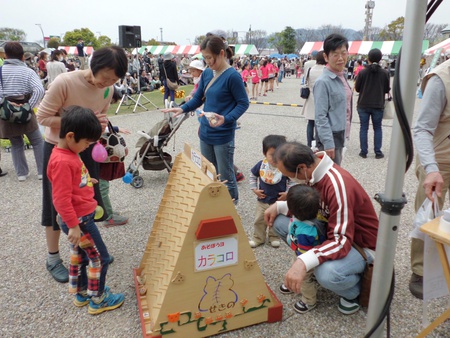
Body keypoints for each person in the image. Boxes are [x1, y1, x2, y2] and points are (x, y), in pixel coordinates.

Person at [37, 46, 128, 283]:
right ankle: (53, 257)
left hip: (85, 148)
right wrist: (82, 120)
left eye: (114, 80)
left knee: (87, 201)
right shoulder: (64, 82)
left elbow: (101, 118)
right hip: (59, 148)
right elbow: (42, 117)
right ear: (93, 65)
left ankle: (88, 250)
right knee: (57, 203)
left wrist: (98, 124)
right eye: (105, 77)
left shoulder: (107, 90)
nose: (107, 83)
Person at [264, 142, 378, 315]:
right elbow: (312, 209)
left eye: (289, 175)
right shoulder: (313, 173)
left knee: (328, 274)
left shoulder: (337, 185)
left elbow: (341, 241)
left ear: (301, 168)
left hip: (361, 244)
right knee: (280, 222)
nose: (289, 179)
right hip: (335, 230)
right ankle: (316, 267)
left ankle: (354, 292)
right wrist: (280, 206)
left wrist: (304, 261)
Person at [48, 106, 125, 314]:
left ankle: (83, 291)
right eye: (86, 143)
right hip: (80, 221)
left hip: (78, 219)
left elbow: (68, 186)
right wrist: (73, 226)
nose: (87, 148)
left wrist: (84, 181)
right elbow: (60, 198)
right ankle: (98, 299)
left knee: (82, 256)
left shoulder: (65, 152)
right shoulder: (63, 161)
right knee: (101, 257)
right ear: (71, 136)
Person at [162, 35, 249, 204]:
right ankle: (215, 205)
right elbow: (198, 98)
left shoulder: (232, 76)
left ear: (222, 53)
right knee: (208, 171)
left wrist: (227, 118)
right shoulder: (208, 73)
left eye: (210, 57)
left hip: (223, 133)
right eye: (205, 58)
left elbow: (243, 103)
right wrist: (182, 108)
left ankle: (231, 206)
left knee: (225, 174)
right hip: (206, 131)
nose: (207, 62)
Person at [409, 57, 450, 300]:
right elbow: (422, 127)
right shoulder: (441, 78)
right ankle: (421, 270)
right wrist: (432, 168)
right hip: (439, 161)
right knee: (428, 215)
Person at [0, 41, 45, 181]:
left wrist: (4, 104)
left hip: (7, 112)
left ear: (5, 55)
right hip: (25, 108)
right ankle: (42, 172)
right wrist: (28, 106)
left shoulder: (1, 71)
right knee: (37, 141)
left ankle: (21, 174)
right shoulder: (27, 71)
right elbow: (39, 90)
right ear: (22, 56)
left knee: (16, 143)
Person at [283, 184, 326, 313]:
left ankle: (309, 300)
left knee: (305, 278)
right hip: (301, 252)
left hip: (305, 257)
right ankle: (292, 283)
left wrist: (300, 264)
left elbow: (304, 252)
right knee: (293, 266)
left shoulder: (305, 231)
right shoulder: (311, 217)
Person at [314, 34, 353, 166]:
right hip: (330, 136)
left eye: (343, 53)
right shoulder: (323, 82)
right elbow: (320, 116)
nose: (341, 58)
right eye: (335, 54)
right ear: (326, 57)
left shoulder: (342, 76)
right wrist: (328, 143)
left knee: (335, 172)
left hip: (340, 132)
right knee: (328, 176)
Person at [249, 135, 293, 249]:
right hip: (262, 200)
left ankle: (274, 237)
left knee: (274, 220)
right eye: (271, 155)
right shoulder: (261, 165)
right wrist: (254, 189)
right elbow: (252, 175)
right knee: (259, 220)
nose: (274, 158)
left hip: (277, 201)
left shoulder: (284, 167)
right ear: (264, 153)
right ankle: (258, 237)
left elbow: (292, 181)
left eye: (278, 155)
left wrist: (288, 193)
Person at [354, 48, 390, 159]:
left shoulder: (363, 72)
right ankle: (378, 152)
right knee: (377, 128)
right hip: (378, 104)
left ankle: (363, 151)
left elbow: (358, 89)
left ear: (368, 58)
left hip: (363, 103)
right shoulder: (385, 73)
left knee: (363, 128)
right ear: (380, 59)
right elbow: (386, 89)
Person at [301, 50, 326, 148]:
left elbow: (306, 81)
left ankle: (309, 143)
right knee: (320, 123)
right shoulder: (326, 70)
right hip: (323, 98)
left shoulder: (311, 68)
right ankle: (318, 143)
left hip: (311, 97)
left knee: (310, 123)